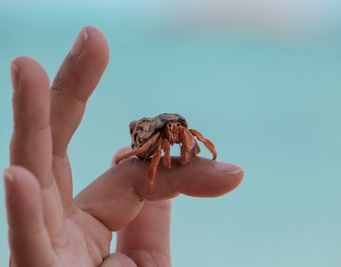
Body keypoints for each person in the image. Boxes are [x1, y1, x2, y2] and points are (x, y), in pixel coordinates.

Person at [3, 26, 244, 267]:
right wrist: (141, 166)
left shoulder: (179, 130)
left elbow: (192, 136)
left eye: (177, 128)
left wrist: (203, 150)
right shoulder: (159, 134)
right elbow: (153, 151)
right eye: (173, 128)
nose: (176, 131)